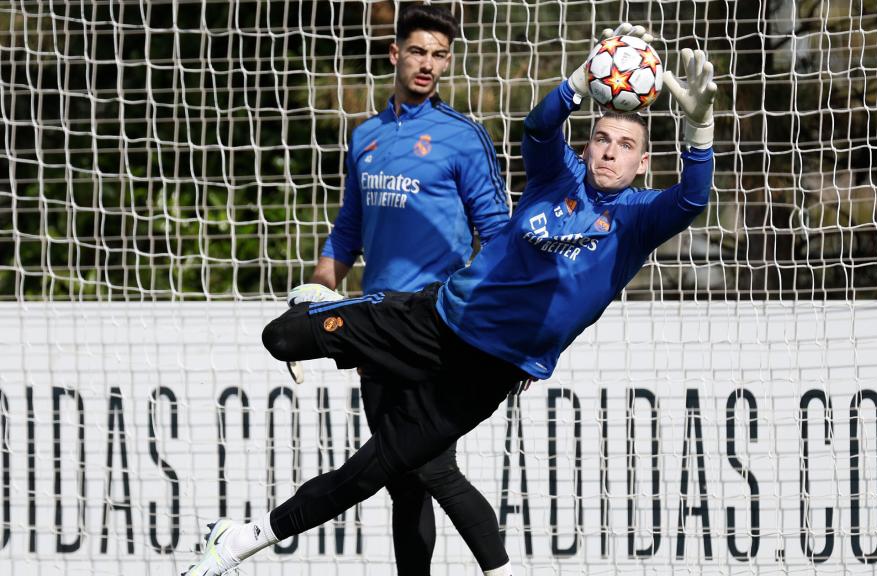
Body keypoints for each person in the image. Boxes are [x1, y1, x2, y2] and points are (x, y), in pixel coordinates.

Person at [182, 22, 717, 575]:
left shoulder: (637, 218)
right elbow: (537, 128)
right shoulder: (554, 180)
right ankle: (324, 319)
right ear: (585, 148)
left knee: (379, 473)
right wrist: (582, 77)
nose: (611, 153)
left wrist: (699, 129)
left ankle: (243, 538)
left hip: (484, 374)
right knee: (281, 336)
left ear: (643, 163)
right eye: (601, 139)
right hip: (430, 319)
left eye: (626, 145)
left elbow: (693, 198)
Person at [181, 4, 512, 576]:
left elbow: (500, 235)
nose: (428, 64)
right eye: (418, 52)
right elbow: (349, 230)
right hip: (373, 326)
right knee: (403, 481)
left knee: (431, 470)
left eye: (439, 55)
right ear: (395, 54)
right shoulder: (367, 137)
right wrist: (319, 283)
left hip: (433, 329)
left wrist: (477, 309)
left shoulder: (462, 138)